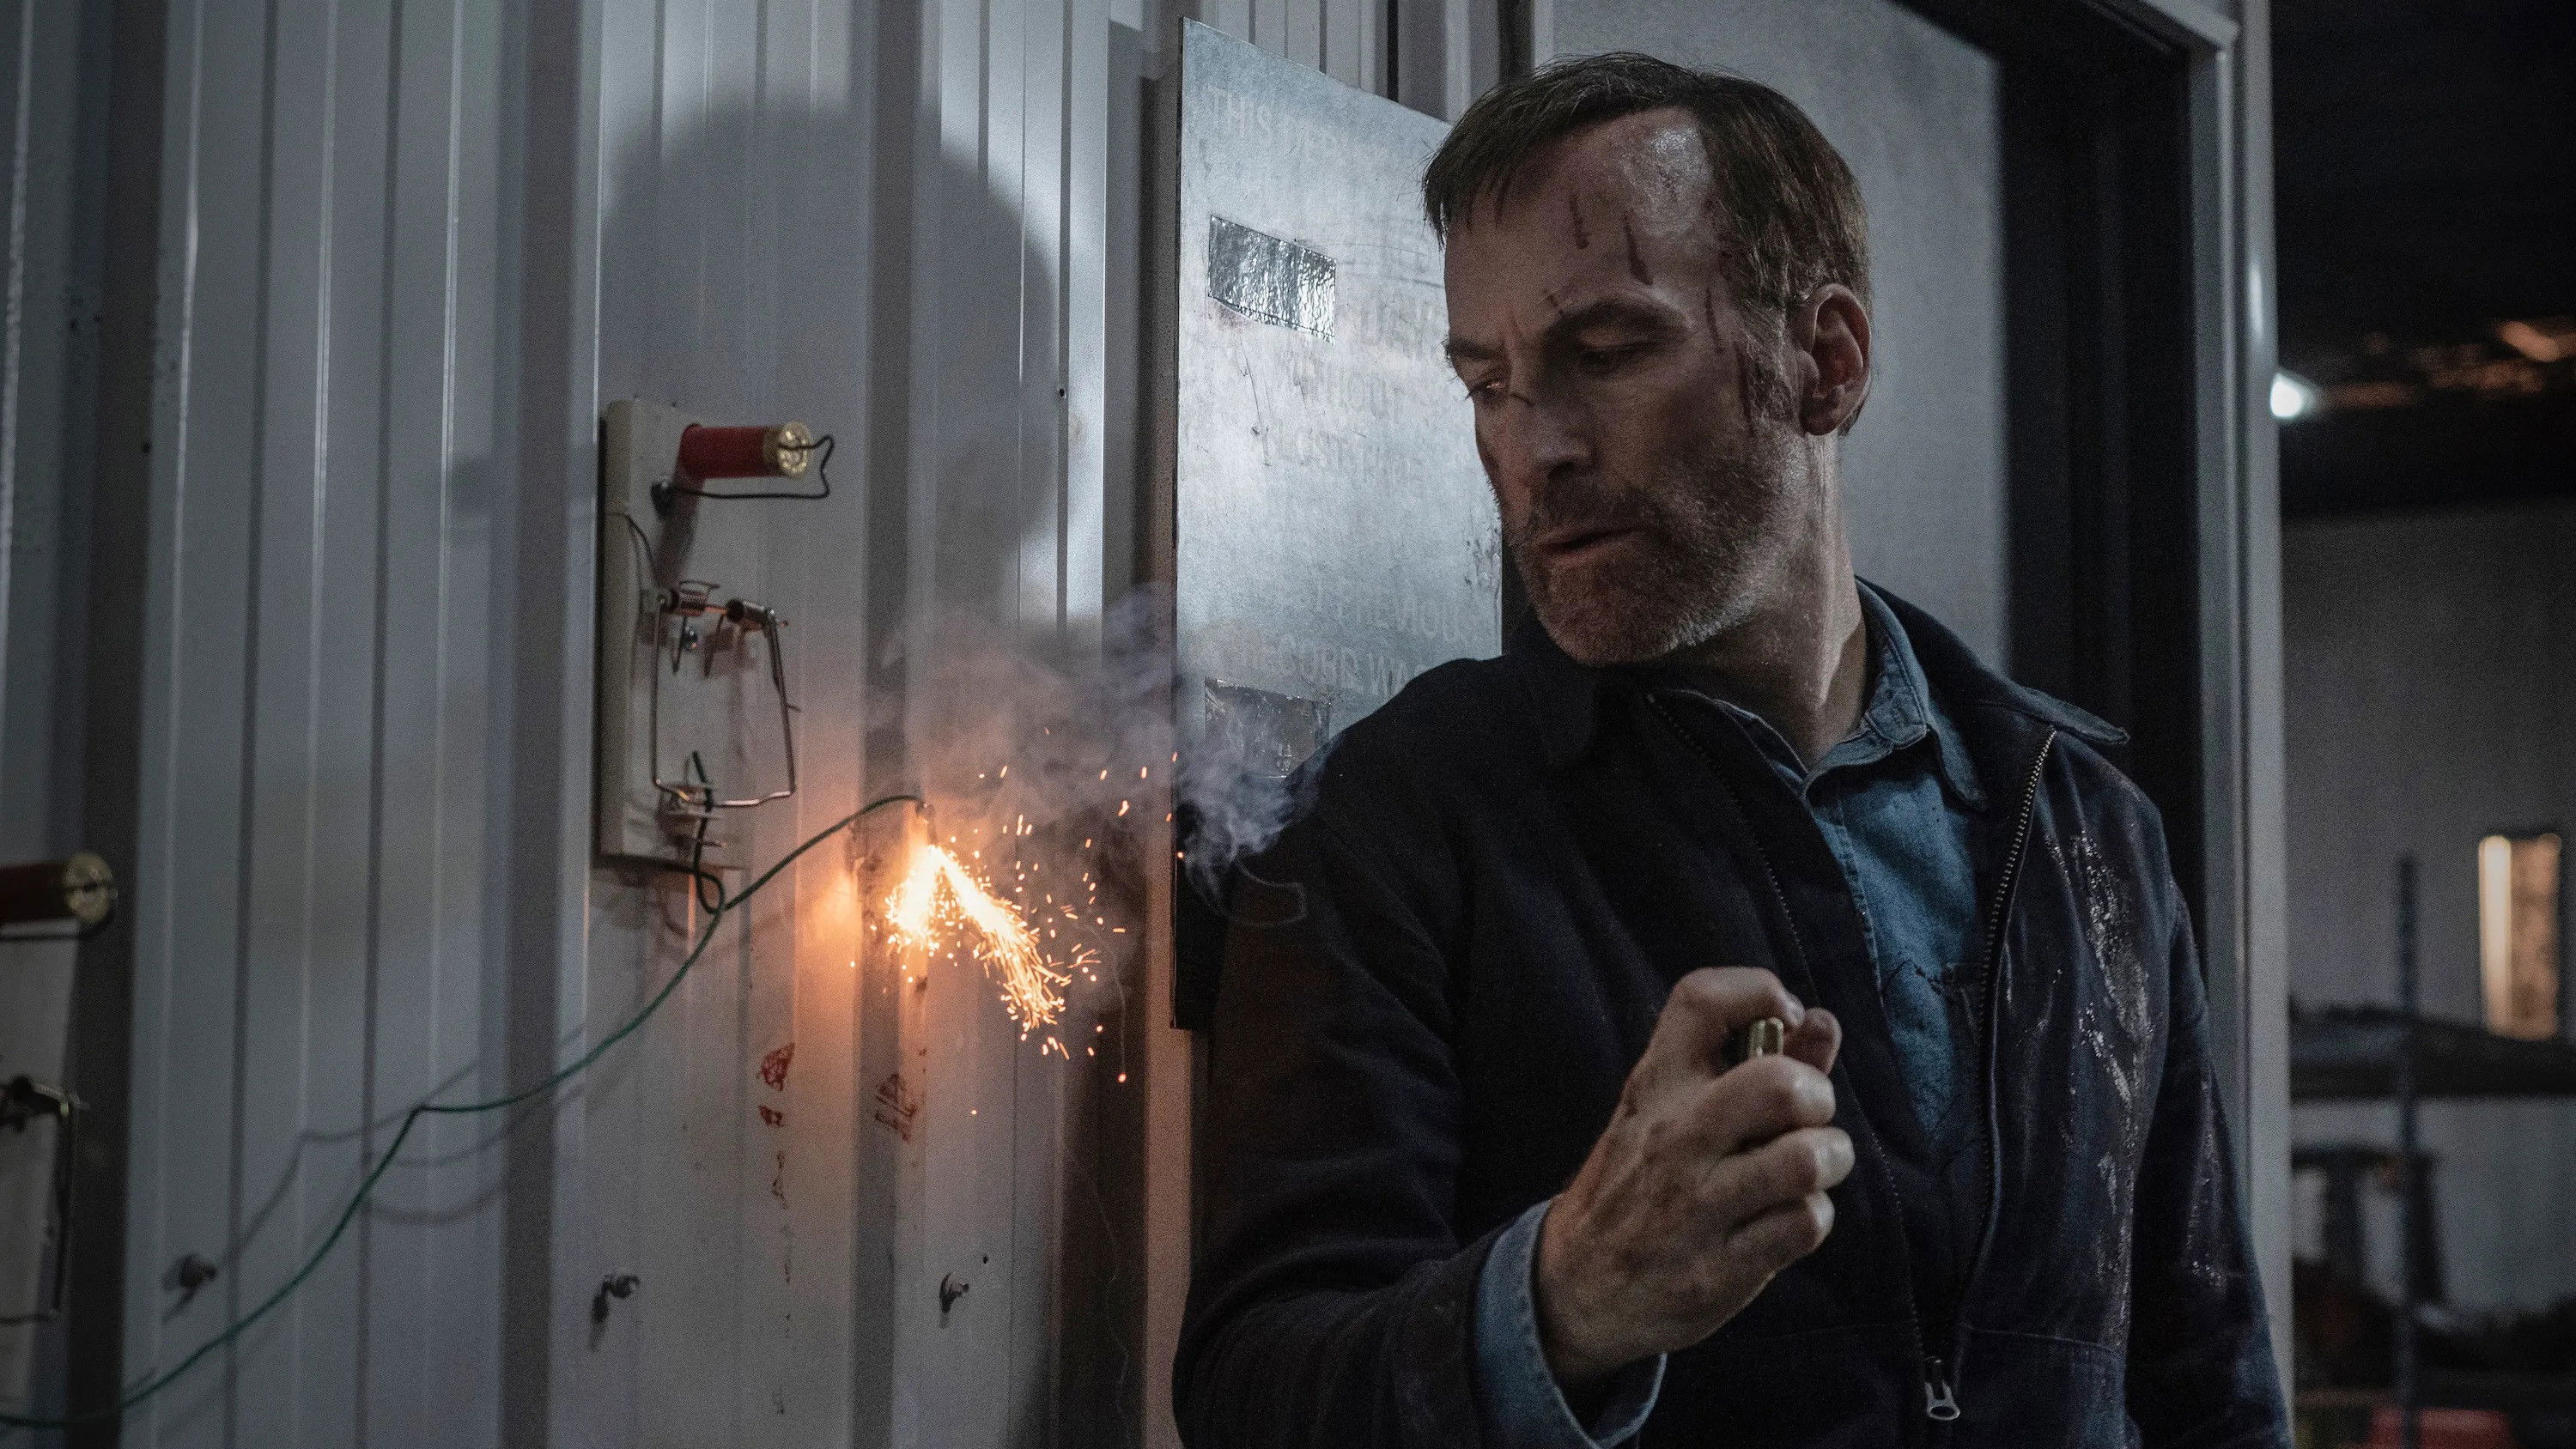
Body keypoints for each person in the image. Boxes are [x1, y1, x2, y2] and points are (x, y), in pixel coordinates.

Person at [1171, 52, 2289, 1449]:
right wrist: (1562, 1302)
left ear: (1827, 362)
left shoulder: (2087, 832)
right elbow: (1256, 1393)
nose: (1535, 448)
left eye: (1607, 352)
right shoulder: (1405, 817)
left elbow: (2210, 1386)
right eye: (1490, 384)